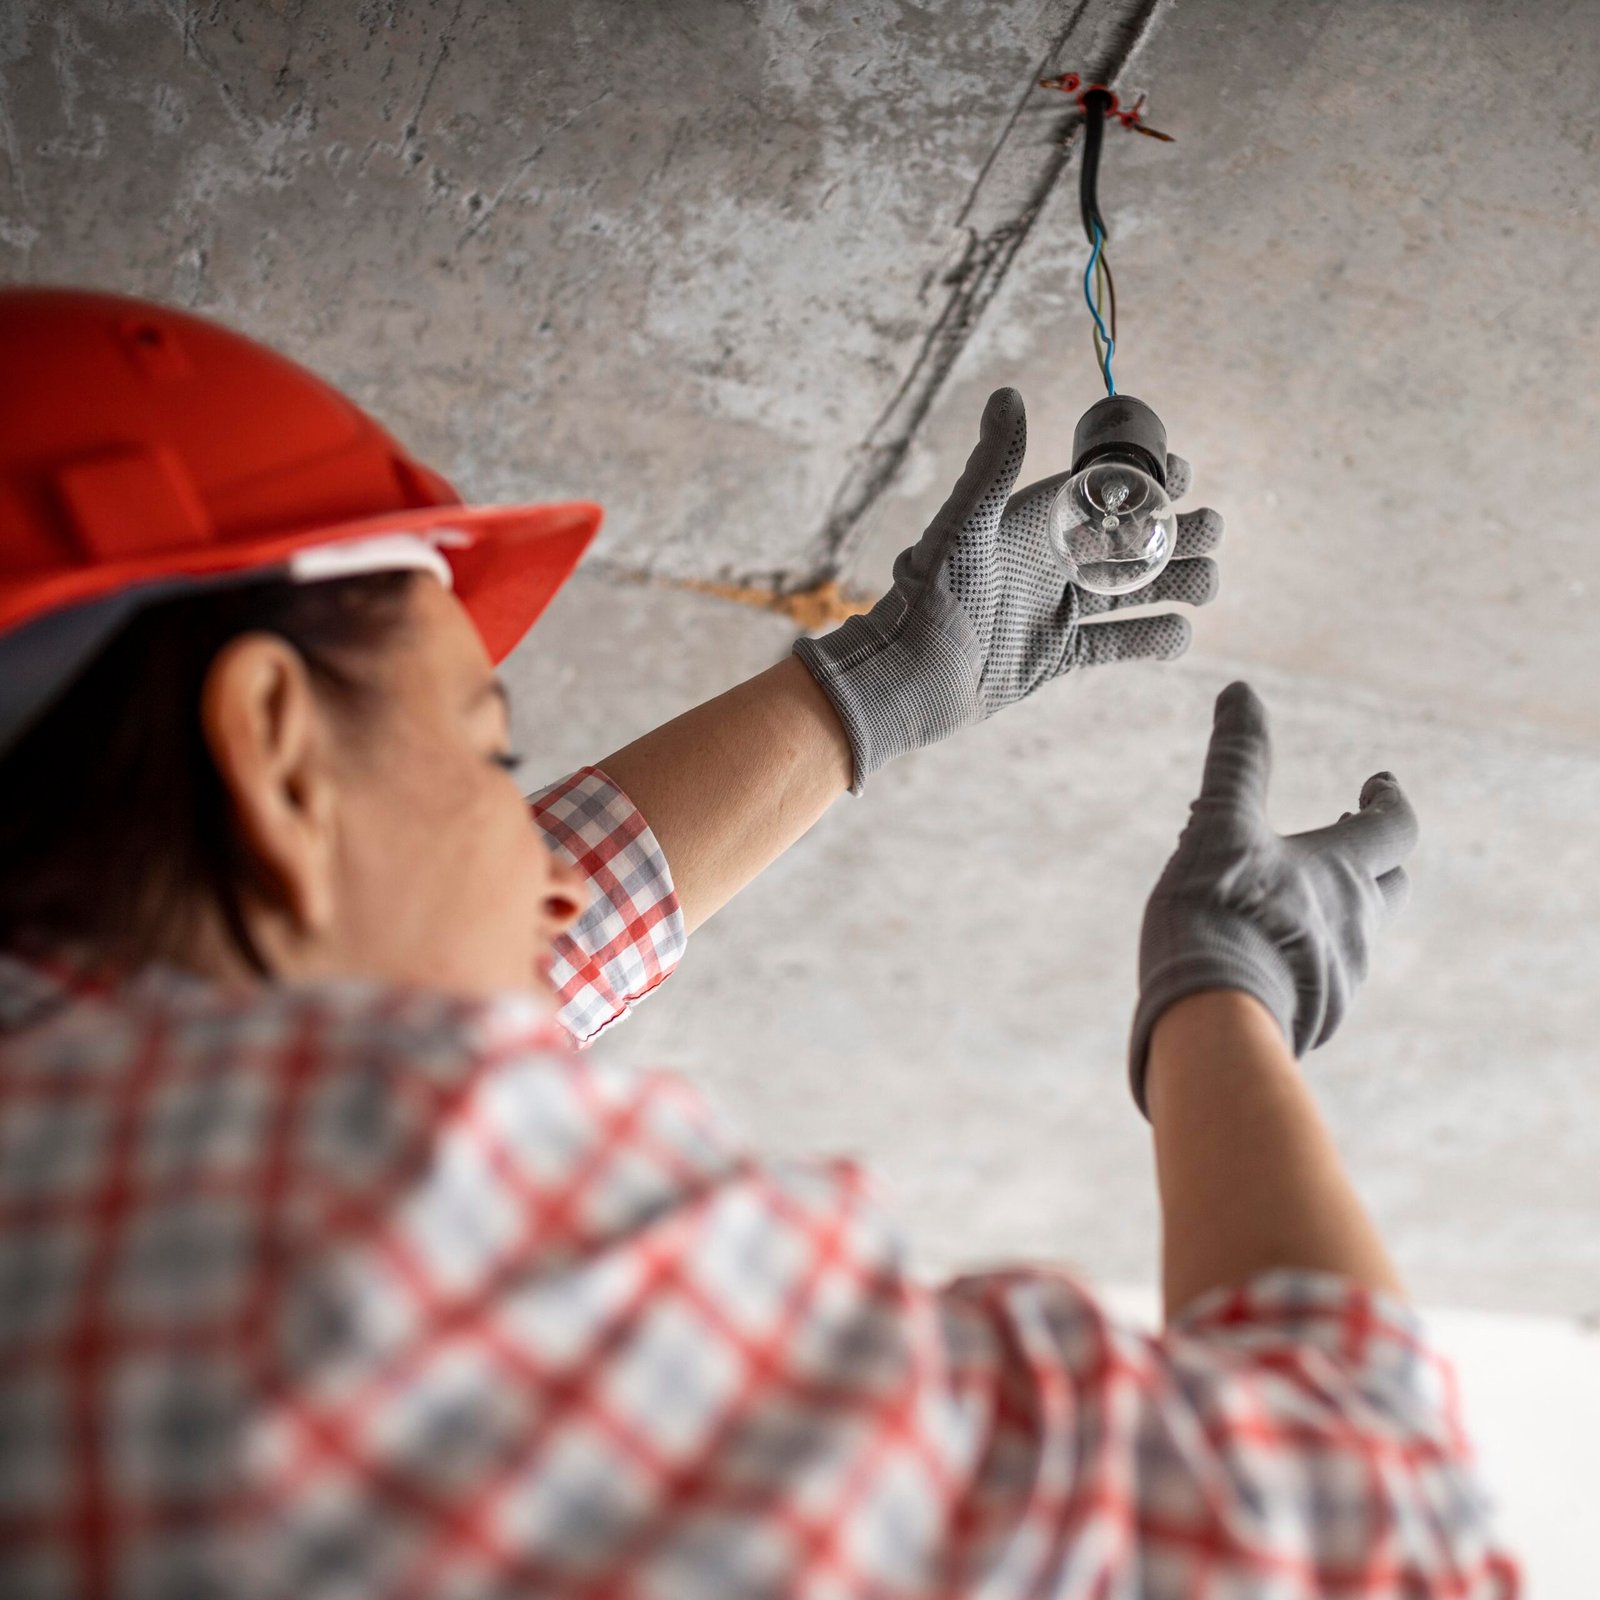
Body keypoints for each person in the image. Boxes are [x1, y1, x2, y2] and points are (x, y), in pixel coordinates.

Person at [0, 288, 1514, 1598]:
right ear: (275, 752)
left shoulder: (127, 1166)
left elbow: (471, 955)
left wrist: (868, 693)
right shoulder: (344, 1219)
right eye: (489, 758)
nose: (545, 896)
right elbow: (1367, 1537)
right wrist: (1224, 997)